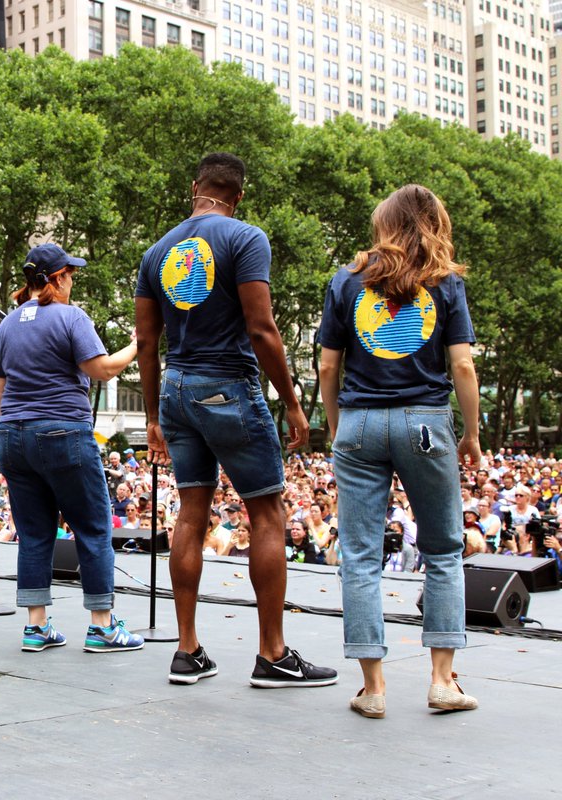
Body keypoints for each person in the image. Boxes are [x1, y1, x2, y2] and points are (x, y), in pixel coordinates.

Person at [135, 152, 336, 687]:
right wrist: (293, 403)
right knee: (266, 514)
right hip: (228, 387)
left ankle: (187, 649)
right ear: (238, 195)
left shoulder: (156, 253)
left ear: (194, 187)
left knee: (191, 512)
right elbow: (262, 329)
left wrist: (153, 414)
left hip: (175, 389)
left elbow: (147, 344)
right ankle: (272, 654)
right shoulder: (246, 239)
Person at [319, 184, 481, 718]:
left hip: (360, 423)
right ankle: (441, 681)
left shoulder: (346, 280)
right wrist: (472, 433)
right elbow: (461, 366)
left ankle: (374, 688)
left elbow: (326, 367)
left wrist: (339, 424)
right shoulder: (445, 283)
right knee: (442, 551)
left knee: (361, 556)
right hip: (425, 423)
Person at [0, 242, 144, 653]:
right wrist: (137, 345)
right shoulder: (71, 317)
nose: (73, 280)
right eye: (71, 274)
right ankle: (103, 627)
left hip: (12, 435)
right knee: (93, 528)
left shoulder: (7, 325)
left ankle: (36, 627)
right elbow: (103, 370)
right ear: (57, 279)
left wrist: (20, 421)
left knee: (34, 533)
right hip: (63, 432)